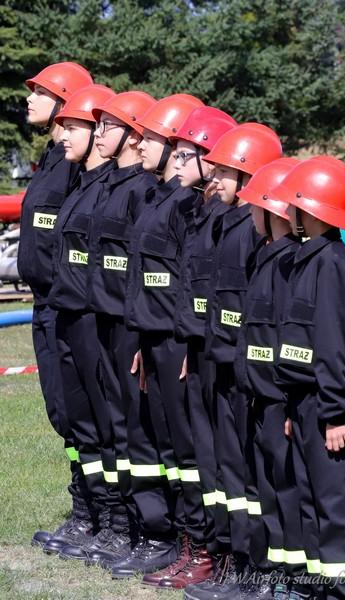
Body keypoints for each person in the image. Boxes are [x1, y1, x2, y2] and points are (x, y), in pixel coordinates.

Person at [272, 156, 345, 600]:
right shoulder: (308, 260)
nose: (287, 212)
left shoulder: (333, 264)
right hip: (308, 401)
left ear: (311, 209)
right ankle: (324, 589)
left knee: (341, 505)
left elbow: (334, 345)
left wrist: (335, 412)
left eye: (293, 204)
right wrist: (293, 406)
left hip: (332, 403)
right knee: (314, 501)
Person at [53, 91, 158, 566]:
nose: (99, 134)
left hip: (117, 323)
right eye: (96, 126)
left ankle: (133, 525)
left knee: (122, 426)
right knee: (95, 423)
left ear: (134, 134)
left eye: (108, 126)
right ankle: (109, 520)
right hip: (87, 317)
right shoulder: (104, 184)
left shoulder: (140, 190)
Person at [184, 123, 283, 600]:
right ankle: (236, 560)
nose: (214, 178)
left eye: (224, 171)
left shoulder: (254, 231)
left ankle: (258, 569)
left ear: (249, 175)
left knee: (249, 472)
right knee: (227, 469)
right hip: (219, 362)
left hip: (244, 371)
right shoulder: (226, 221)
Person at [142, 105, 237, 589]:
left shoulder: (226, 222)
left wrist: (186, 346)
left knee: (204, 457)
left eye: (186, 156)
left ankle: (211, 552)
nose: (176, 164)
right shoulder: (193, 210)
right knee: (179, 451)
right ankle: (192, 546)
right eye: (175, 154)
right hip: (179, 343)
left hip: (201, 352)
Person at [113, 93, 205, 581]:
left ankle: (201, 548)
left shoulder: (186, 204)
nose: (140, 144)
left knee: (186, 449)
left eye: (149, 137)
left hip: (175, 341)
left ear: (174, 145)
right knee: (167, 447)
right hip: (153, 339)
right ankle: (181, 543)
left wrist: (184, 342)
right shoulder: (159, 197)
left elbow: (189, 280)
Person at [18, 62, 94, 549]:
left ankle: (94, 513)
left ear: (66, 102)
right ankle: (85, 507)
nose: (29, 98)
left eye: (40, 91)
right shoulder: (52, 158)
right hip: (45, 303)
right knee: (61, 412)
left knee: (78, 411)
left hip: (67, 305)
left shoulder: (76, 166)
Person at [42, 84, 117, 557]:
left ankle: (116, 521)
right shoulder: (80, 183)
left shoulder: (111, 189)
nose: (63, 135)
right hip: (66, 313)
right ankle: (92, 515)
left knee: (106, 424)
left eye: (72, 127)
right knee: (79, 421)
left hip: (94, 320)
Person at [233, 157, 305, 600]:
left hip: (279, 401)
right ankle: (274, 576)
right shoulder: (267, 258)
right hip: (260, 397)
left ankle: (294, 580)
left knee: (287, 492)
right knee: (267, 491)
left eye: (254, 206)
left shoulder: (289, 265)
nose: (249, 214)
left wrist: (289, 401)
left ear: (272, 210)